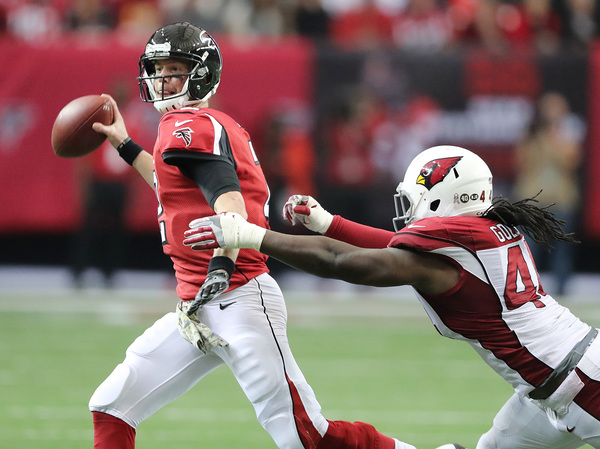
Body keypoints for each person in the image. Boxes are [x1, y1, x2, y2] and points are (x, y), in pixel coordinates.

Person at [88, 21, 424, 449]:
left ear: (202, 74)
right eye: (158, 69)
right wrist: (125, 145)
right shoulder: (198, 124)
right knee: (112, 406)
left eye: (174, 69)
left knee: (305, 437)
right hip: (199, 305)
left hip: (237, 295)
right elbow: (171, 185)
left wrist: (221, 264)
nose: (163, 79)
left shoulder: (188, 124)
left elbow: (230, 207)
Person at [184, 145, 600, 449]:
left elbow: (347, 263)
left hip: (582, 386)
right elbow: (394, 249)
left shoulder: (454, 251)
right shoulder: (480, 235)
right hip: (554, 384)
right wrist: (330, 224)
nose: (408, 209)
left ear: (442, 197)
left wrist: (252, 235)